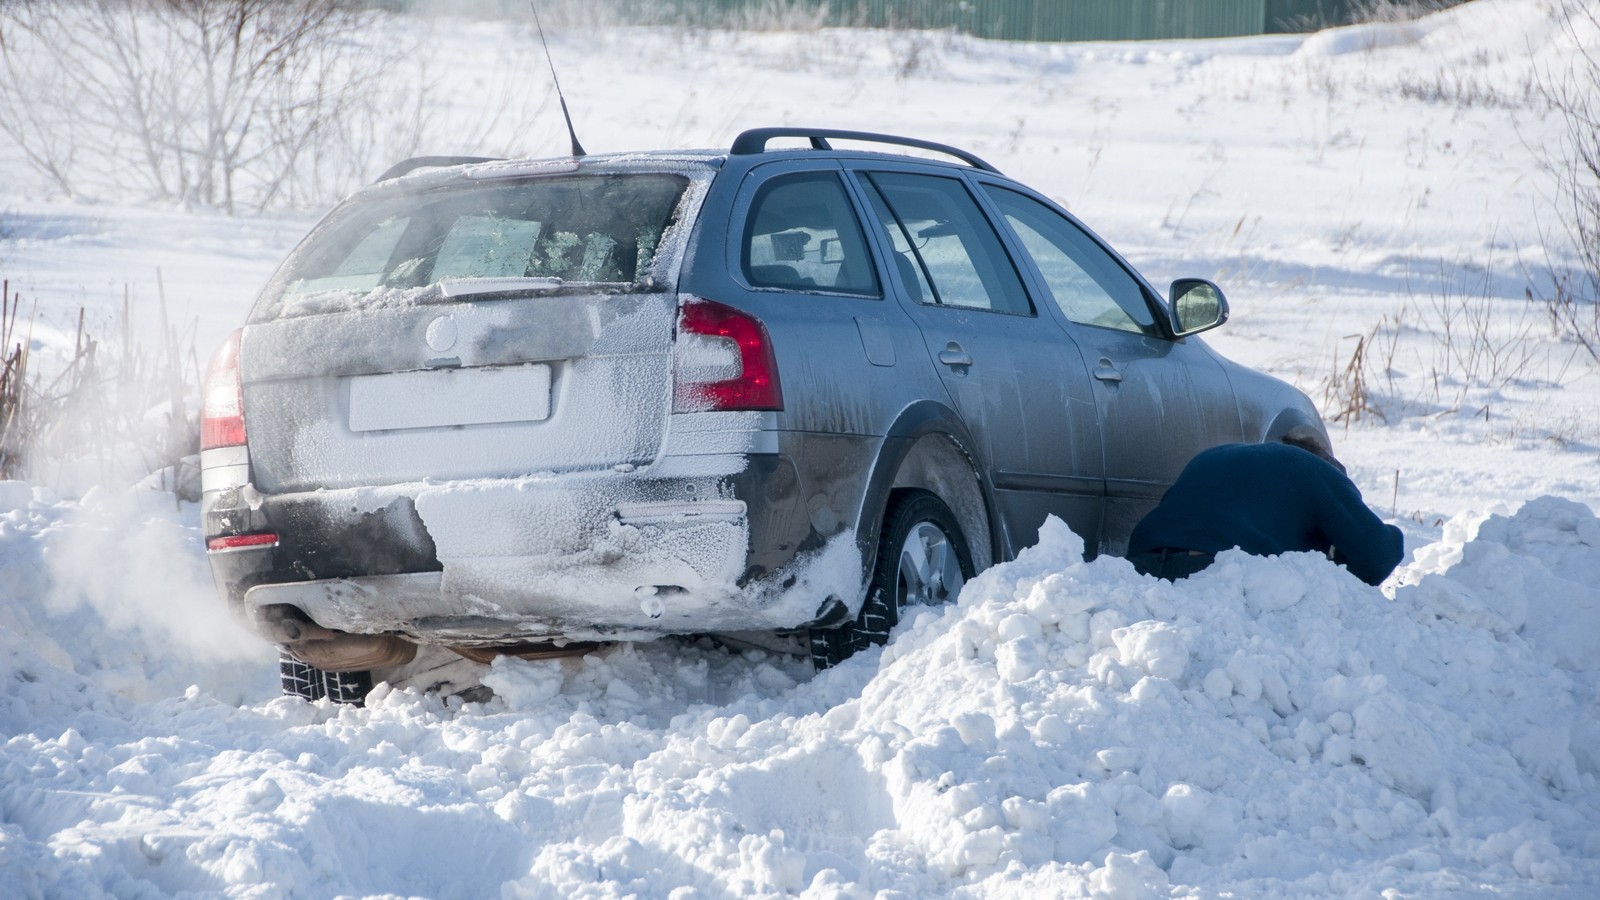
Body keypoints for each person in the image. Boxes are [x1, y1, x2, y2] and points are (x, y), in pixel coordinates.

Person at [1124, 429, 1404, 586]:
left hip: (1138, 569)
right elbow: (1376, 557)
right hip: (1211, 573)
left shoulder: (1216, 454)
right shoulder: (1317, 471)